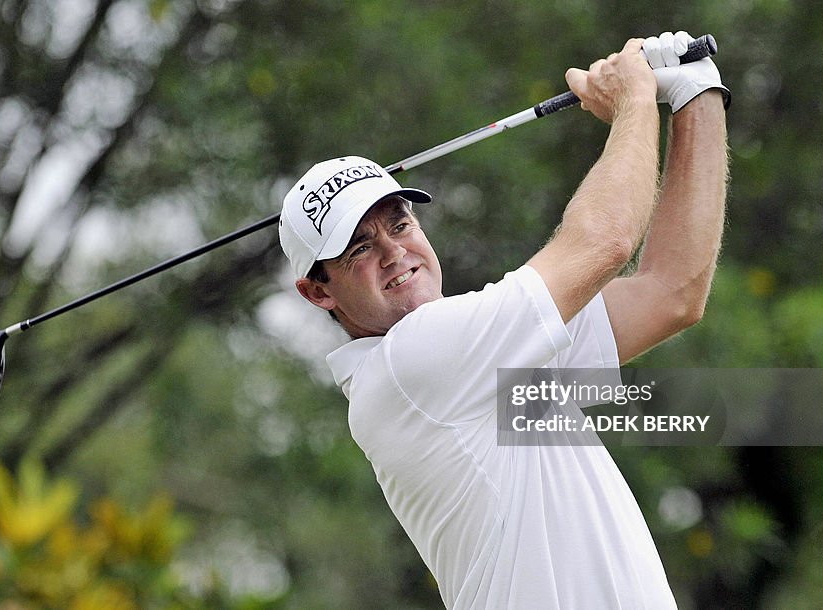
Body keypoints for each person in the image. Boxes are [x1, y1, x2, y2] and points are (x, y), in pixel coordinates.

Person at [278, 31, 729, 609]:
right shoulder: (410, 364)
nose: (395, 253)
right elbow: (606, 241)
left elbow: (673, 293)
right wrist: (635, 99)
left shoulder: (483, 357)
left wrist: (696, 92)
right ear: (318, 292)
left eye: (400, 225)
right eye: (358, 249)